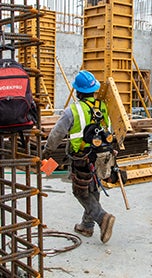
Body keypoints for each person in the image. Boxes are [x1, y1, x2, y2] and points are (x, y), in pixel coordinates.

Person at [42, 70, 116, 243]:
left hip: (82, 157)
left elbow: (56, 134)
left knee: (80, 191)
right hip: (102, 155)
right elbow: (110, 129)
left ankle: (102, 217)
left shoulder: (73, 110)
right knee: (93, 188)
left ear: (78, 91)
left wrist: (47, 152)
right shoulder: (102, 107)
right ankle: (87, 226)